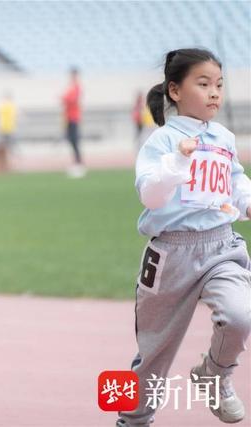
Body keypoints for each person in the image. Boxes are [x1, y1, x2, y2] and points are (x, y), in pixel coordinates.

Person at [117, 48, 251, 427]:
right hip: (171, 255)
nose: (214, 93)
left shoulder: (224, 137)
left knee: (241, 315)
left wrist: (246, 200)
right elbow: (150, 195)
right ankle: (132, 419)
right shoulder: (161, 142)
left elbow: (235, 180)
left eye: (219, 85)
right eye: (203, 84)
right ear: (174, 90)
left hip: (221, 246)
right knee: (153, 354)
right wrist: (178, 161)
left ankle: (215, 373)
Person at [62, 67, 85, 178]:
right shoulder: (71, 87)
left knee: (74, 140)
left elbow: (72, 100)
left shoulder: (76, 87)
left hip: (74, 117)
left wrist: (65, 98)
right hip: (68, 117)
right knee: (71, 140)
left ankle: (79, 164)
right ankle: (76, 162)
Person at [0, 91, 17, 172]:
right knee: (6, 148)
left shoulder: (6, 106)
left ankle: (8, 164)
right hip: (5, 129)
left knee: (9, 147)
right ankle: (6, 165)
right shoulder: (6, 106)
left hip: (8, 129)